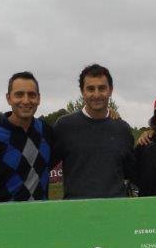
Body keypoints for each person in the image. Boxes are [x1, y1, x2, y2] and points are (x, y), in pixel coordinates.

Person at [0, 71, 54, 202]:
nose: (26, 101)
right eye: (19, 95)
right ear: (8, 98)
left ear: (38, 98)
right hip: (3, 220)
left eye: (32, 95)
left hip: (41, 218)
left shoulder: (46, 132)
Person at [53, 64, 135, 199]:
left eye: (102, 88)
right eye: (90, 89)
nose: (96, 94)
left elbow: (131, 171)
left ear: (110, 90)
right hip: (76, 212)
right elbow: (44, 165)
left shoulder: (122, 129)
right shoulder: (64, 126)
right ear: (82, 91)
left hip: (116, 212)